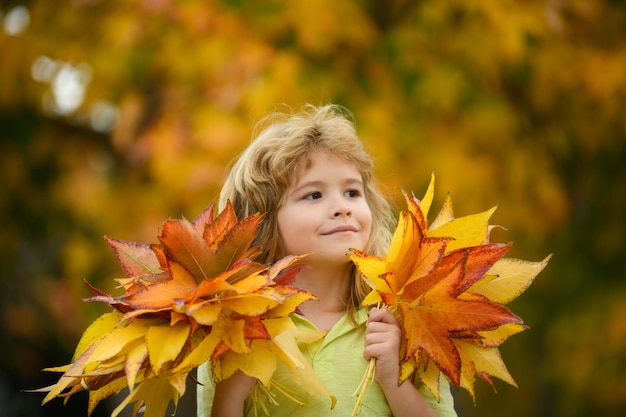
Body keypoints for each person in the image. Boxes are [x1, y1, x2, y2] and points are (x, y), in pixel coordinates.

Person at [197, 104, 457, 417]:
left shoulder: (403, 317)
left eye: (351, 192)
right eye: (314, 195)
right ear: (262, 222)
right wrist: (231, 395)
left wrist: (393, 381)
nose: (342, 207)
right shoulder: (236, 330)